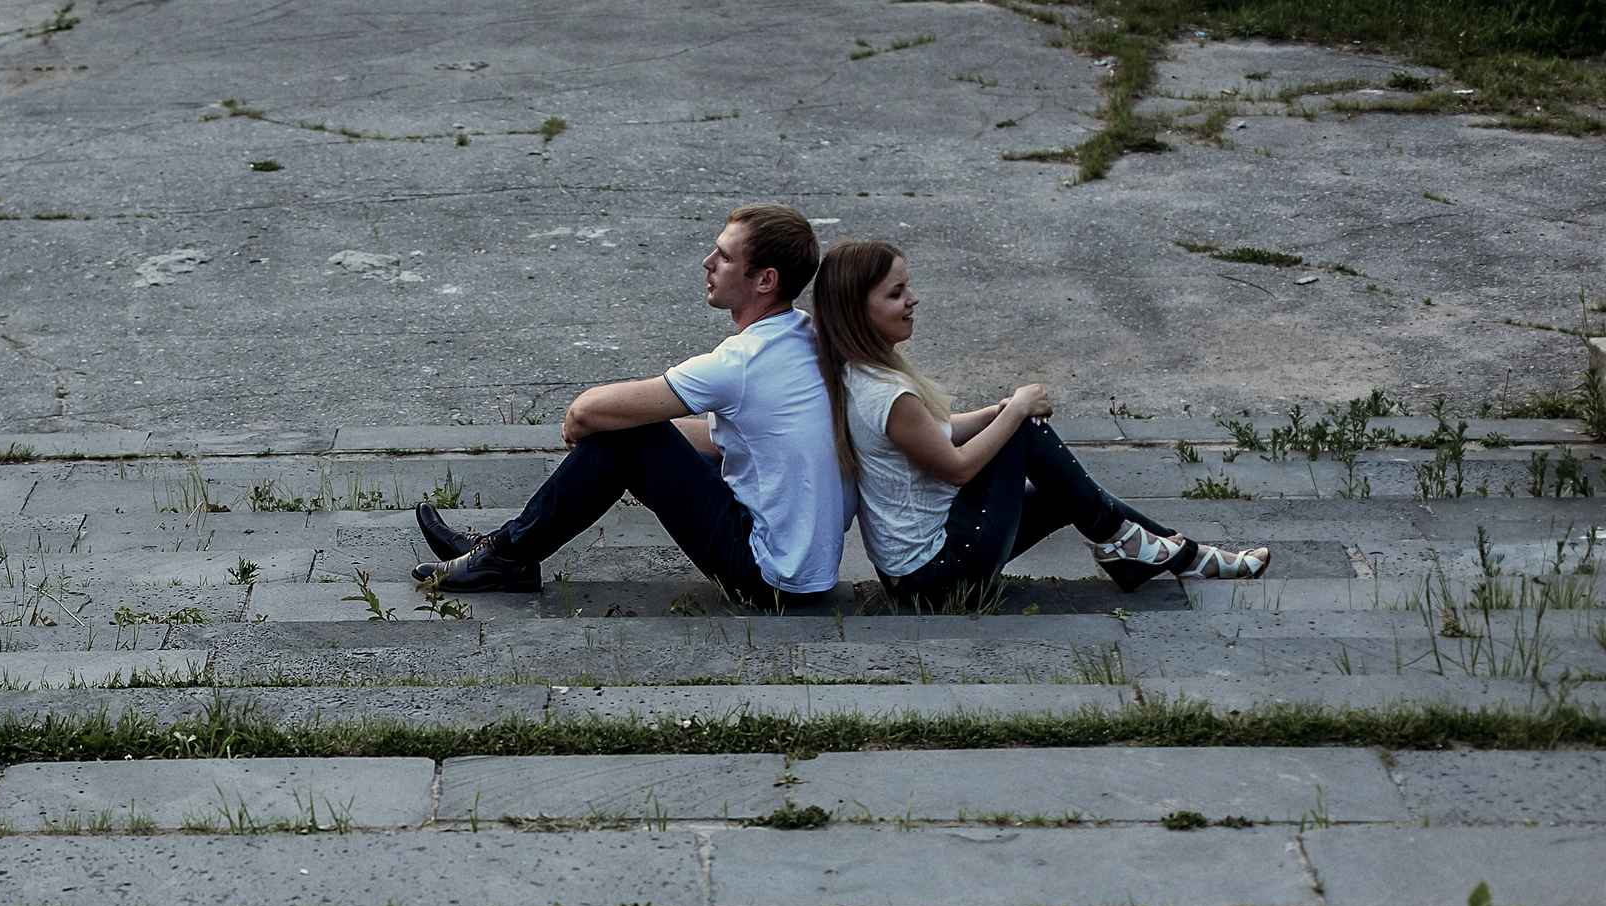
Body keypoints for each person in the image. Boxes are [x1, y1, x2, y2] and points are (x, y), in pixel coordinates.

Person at [412, 202, 853, 608]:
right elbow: (732, 444)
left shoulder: (742, 362)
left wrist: (597, 427)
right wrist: (630, 431)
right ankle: (501, 549)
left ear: (765, 280)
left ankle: (504, 557)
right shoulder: (803, 336)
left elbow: (586, 410)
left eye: (724, 256)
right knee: (632, 430)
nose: (708, 262)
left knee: (625, 433)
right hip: (805, 572)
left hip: (765, 578)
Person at [808, 239, 1267, 609]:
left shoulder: (858, 373)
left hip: (919, 570)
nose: (913, 299)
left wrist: (994, 412)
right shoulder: (887, 393)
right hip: (934, 578)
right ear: (856, 310)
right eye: (895, 293)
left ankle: (1159, 553)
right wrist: (1016, 411)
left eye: (907, 286)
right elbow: (957, 467)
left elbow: (935, 431)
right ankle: (1180, 556)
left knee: (1066, 493)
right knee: (1025, 430)